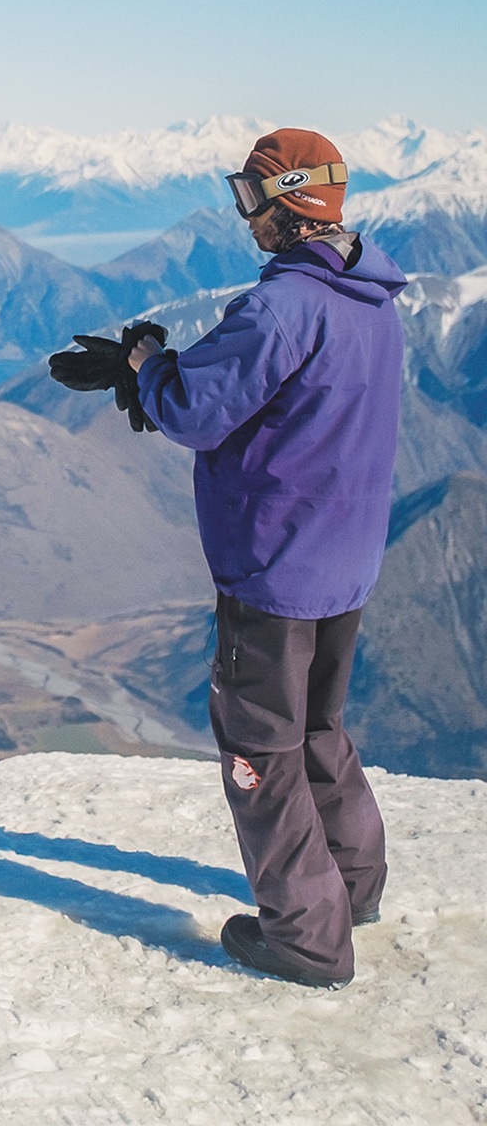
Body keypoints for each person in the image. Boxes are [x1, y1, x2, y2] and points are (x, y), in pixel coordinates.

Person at [127, 127, 406, 988]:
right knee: (319, 727)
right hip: (346, 565)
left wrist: (143, 365)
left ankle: (306, 940)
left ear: (287, 203)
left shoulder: (283, 307)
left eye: (251, 199)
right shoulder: (375, 301)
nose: (246, 218)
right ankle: (351, 891)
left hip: (276, 571)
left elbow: (194, 411)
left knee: (261, 749)